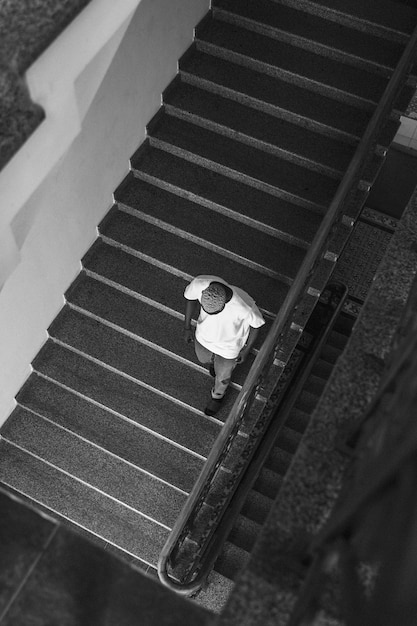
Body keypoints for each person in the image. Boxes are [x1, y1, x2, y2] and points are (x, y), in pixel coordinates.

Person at [183, 275, 265, 416]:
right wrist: (187, 327)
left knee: (223, 377)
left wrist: (246, 350)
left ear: (224, 305)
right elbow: (190, 299)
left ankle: (218, 397)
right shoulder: (199, 284)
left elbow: (256, 326)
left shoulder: (245, 306)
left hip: (229, 347)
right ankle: (214, 363)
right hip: (203, 336)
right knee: (202, 358)